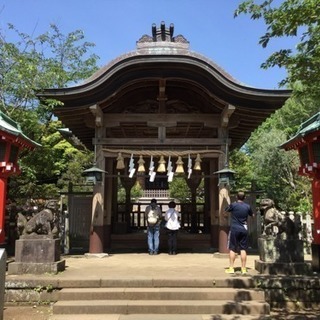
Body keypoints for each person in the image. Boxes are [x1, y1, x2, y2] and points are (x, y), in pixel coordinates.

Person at [224, 191, 254, 274]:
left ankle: (231, 268)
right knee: (243, 249)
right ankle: (243, 268)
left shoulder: (233, 205)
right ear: (244, 198)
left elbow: (225, 211)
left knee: (232, 248)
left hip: (234, 229)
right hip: (244, 229)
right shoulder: (247, 206)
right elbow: (253, 215)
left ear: (237, 197)